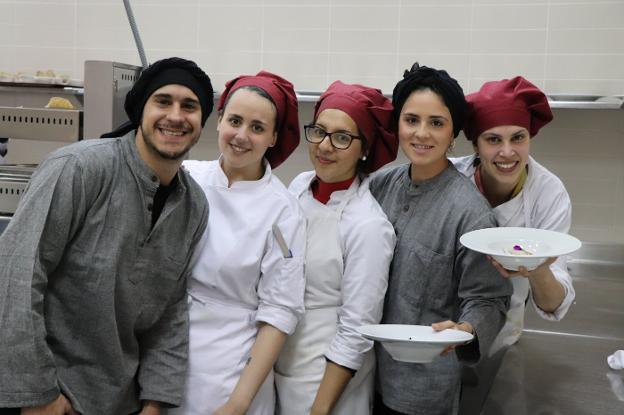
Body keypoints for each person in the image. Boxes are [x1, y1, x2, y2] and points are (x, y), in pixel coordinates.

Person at [0, 57, 214, 415]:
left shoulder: (193, 206)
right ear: (140, 109)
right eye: (163, 101)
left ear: (202, 121)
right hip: (50, 395)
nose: (176, 116)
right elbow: (16, 276)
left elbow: (169, 313)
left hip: (119, 401)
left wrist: (155, 400)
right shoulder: (80, 169)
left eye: (189, 106)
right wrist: (37, 394)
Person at [369, 63, 512, 415]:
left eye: (436, 123)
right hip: (365, 370)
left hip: (423, 387)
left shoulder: (471, 213)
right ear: (398, 124)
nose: (422, 133)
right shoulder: (381, 185)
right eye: (411, 119)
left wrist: (466, 327)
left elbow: (489, 299)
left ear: (453, 134)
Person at [170, 71, 306, 415]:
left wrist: (237, 403)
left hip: (232, 370)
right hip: (167, 355)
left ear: (274, 137)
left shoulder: (283, 210)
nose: (241, 136)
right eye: (235, 121)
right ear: (218, 121)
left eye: (258, 128)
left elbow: (279, 311)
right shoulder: (185, 177)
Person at [452, 76, 575, 414]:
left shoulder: (547, 194)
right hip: (440, 333)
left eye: (517, 138)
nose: (507, 152)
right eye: (493, 139)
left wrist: (538, 269)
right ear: (476, 144)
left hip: (501, 341)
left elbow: (554, 303)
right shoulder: (450, 180)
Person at [275, 81, 398, 414]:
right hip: (280, 364)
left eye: (342, 137)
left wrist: (320, 408)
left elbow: (357, 328)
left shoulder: (368, 225)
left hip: (328, 383)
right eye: (319, 131)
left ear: (365, 149)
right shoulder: (300, 187)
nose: (325, 146)